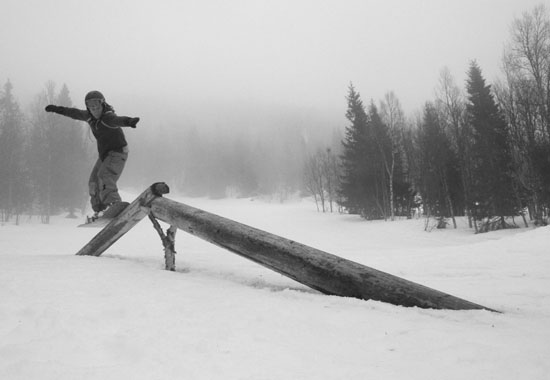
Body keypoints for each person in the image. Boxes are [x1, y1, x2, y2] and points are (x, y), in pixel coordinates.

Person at [45, 90, 139, 220]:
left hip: (118, 152)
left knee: (104, 175)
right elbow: (73, 113)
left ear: (103, 104)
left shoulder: (108, 117)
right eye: (90, 105)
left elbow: (118, 120)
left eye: (96, 104)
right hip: (105, 155)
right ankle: (100, 210)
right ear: (87, 107)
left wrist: (129, 121)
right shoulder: (89, 116)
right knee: (93, 181)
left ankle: (113, 204)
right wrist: (56, 109)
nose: (94, 108)